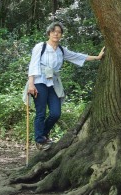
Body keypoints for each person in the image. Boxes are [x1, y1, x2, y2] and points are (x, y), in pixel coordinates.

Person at [26, 22, 105, 151]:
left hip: (53, 84)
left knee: (56, 113)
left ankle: (44, 134)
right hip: (39, 82)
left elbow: (77, 56)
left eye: (59, 32)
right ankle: (40, 140)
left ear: (61, 35)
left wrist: (97, 57)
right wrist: (31, 84)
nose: (56, 34)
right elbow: (33, 65)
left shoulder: (61, 50)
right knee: (41, 113)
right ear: (49, 33)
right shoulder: (41, 47)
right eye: (53, 31)